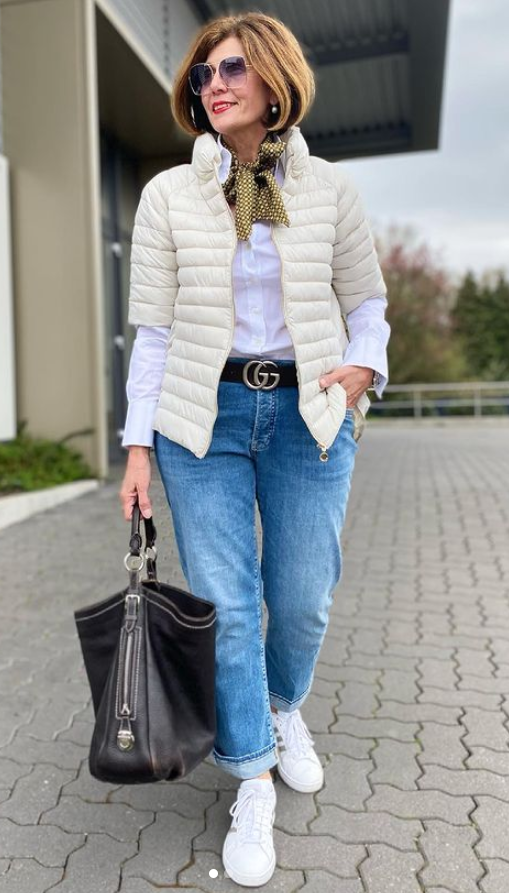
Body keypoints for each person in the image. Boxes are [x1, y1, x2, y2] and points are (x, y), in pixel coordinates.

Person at [119, 11, 390, 888]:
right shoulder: (168, 195)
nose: (214, 85)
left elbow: (367, 303)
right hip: (201, 419)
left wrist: (362, 367)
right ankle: (252, 776)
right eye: (202, 75)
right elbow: (154, 334)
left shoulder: (331, 191)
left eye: (232, 68)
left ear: (275, 79)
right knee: (228, 606)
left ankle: (280, 706)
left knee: (302, 596)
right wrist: (135, 448)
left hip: (309, 414)